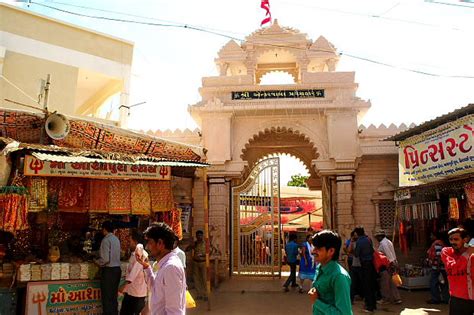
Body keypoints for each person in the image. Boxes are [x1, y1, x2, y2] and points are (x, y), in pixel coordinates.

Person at [135, 222, 186, 315]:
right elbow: (155, 289)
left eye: (150, 242)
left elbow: (174, 310)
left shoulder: (171, 267)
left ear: (160, 243)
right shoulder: (165, 264)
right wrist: (146, 266)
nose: (147, 247)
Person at [308, 230, 352, 315]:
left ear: (331, 251)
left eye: (318, 249)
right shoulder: (319, 268)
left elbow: (344, 313)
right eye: (314, 248)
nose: (313, 251)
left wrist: (316, 301)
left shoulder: (339, 277)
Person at [441, 227, 474, 315]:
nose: (453, 242)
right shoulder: (446, 252)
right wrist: (467, 254)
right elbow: (454, 268)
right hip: (458, 299)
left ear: (465, 239)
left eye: (456, 239)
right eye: (451, 239)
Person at [94, 221, 121, 315]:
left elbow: (105, 259)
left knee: (107, 297)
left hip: (109, 271)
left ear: (104, 229)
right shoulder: (116, 239)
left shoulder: (106, 240)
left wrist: (96, 262)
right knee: (113, 296)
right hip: (117, 270)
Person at [119, 230, 148, 315]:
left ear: (135, 242)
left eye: (130, 241)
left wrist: (123, 286)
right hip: (131, 291)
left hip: (137, 294)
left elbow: (133, 274)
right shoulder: (134, 253)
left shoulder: (140, 254)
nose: (128, 243)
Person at [374, 229, 402, 305]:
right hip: (392, 264)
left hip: (387, 265)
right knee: (392, 282)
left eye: (377, 237)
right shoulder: (388, 241)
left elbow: (389, 255)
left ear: (380, 236)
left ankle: (386, 299)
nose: (376, 239)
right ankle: (397, 298)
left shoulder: (383, 244)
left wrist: (391, 264)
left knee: (384, 283)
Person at [354, 226, 377, 313]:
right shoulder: (368, 239)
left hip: (365, 265)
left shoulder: (359, 241)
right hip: (371, 264)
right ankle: (373, 304)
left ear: (357, 233)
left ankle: (369, 307)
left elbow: (356, 254)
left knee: (366, 286)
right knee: (372, 285)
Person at [426, 231, 449, 304]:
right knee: (444, 283)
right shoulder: (442, 243)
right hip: (442, 267)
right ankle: (446, 298)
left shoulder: (437, 243)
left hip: (437, 267)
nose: (430, 237)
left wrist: (438, 266)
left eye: (431, 235)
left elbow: (439, 255)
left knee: (433, 283)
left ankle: (435, 299)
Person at [186, 230, 208, 300]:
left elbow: (209, 252)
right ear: (196, 236)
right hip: (196, 262)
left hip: (203, 262)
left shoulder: (205, 244)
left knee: (204, 279)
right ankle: (199, 294)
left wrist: (202, 255)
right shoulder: (195, 244)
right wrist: (191, 246)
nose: (199, 237)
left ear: (202, 236)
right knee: (196, 279)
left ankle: (205, 294)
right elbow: (187, 249)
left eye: (200, 235)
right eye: (198, 236)